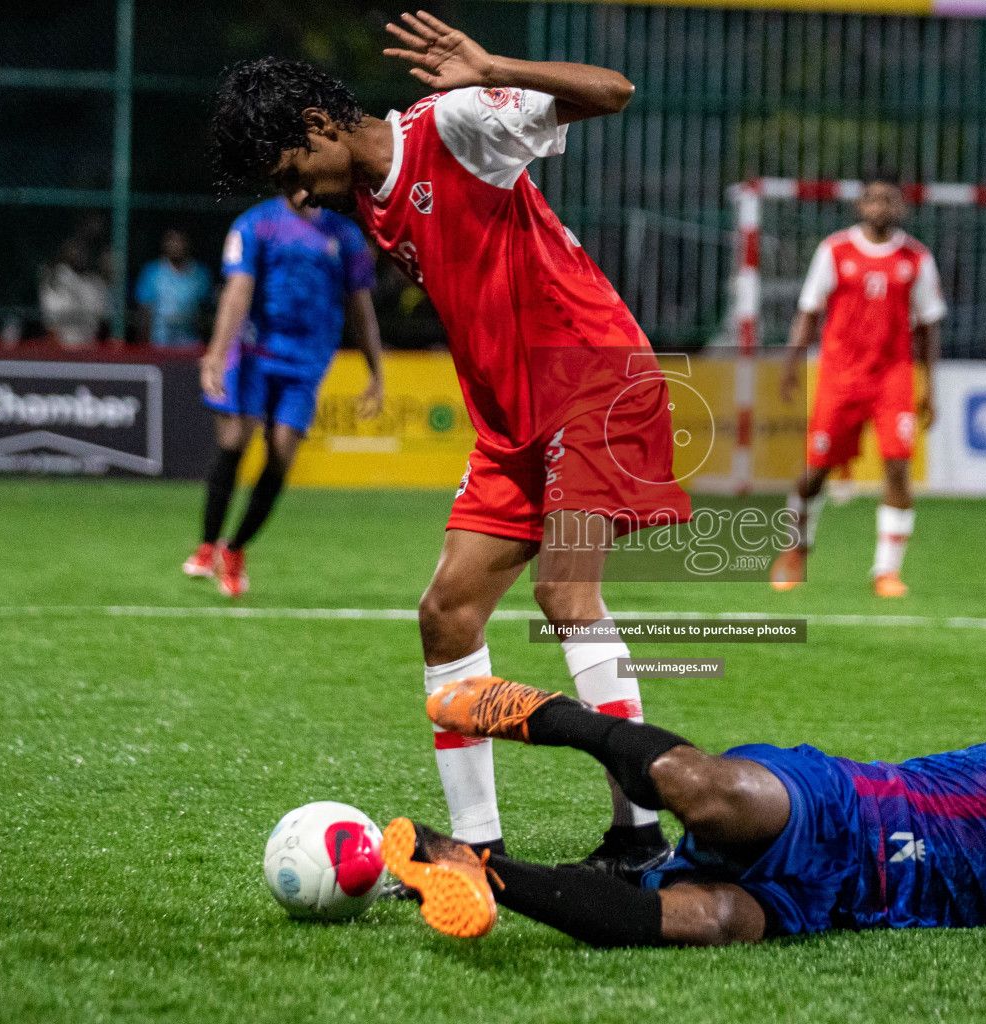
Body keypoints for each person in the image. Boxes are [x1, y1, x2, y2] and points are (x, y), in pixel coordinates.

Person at [208, 11, 691, 873]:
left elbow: (613, 92)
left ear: (319, 127)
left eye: (294, 171)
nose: (301, 195)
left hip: (591, 378)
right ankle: (478, 851)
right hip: (512, 421)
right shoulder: (364, 200)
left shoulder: (456, 126)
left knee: (565, 595)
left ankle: (639, 835)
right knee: (446, 616)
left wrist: (491, 65)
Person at [380, 679, 986, 946]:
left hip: (838, 898)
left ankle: (464, 863)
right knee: (705, 788)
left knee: (702, 920)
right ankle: (534, 712)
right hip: (842, 804)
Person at [183, 191, 384, 597]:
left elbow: (360, 303)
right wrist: (218, 353)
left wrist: (376, 370)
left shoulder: (343, 236)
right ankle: (206, 545)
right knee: (234, 438)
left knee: (281, 453)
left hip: (305, 365)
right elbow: (237, 290)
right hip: (253, 354)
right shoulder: (255, 224)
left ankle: (234, 549)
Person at [770, 181, 946, 598]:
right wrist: (792, 364)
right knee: (814, 473)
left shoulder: (916, 258)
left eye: (889, 199)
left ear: (900, 208)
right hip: (840, 376)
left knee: (898, 468)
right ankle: (796, 550)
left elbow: (928, 325)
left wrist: (929, 386)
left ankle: (886, 571)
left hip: (893, 377)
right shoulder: (835, 251)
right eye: (873, 198)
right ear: (860, 205)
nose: (880, 206)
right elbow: (809, 311)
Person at [135, 229, 213, 347]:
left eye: (179, 241)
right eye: (171, 241)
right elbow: (144, 309)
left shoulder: (200, 273)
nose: (175, 245)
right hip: (158, 342)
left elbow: (206, 309)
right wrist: (144, 343)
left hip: (190, 343)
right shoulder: (152, 271)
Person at [39, 239, 108, 347]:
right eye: (74, 250)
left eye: (82, 252)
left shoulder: (93, 283)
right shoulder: (55, 277)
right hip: (61, 343)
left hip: (88, 343)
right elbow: (51, 319)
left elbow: (101, 314)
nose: (79, 255)